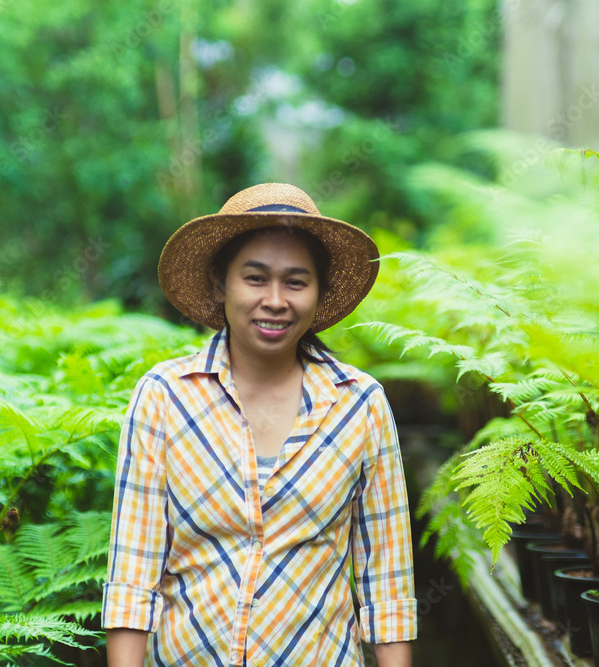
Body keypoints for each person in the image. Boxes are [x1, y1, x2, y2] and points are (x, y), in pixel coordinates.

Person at [102, 183, 417, 666]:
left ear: (318, 292)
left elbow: (387, 586)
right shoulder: (164, 397)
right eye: (255, 278)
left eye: (296, 282)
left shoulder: (360, 404)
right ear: (220, 284)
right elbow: (132, 575)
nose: (275, 300)